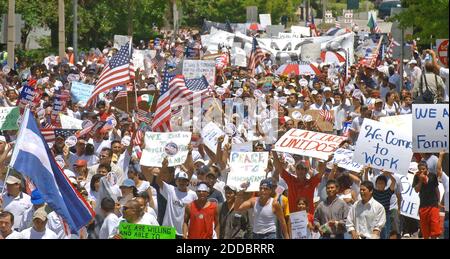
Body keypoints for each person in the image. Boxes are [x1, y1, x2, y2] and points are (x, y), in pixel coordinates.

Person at [154, 162, 197, 239]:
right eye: (179, 180)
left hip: (183, 232)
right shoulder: (170, 190)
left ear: (188, 182)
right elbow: (158, 181)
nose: (181, 182)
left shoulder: (193, 195)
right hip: (167, 230)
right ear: (176, 181)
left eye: (184, 181)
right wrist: (163, 167)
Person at [413, 161, 441, 239]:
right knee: (425, 230)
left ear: (427, 168)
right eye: (420, 169)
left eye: (423, 169)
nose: (422, 171)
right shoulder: (416, 176)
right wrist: (421, 180)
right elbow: (416, 190)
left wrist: (438, 201)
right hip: (423, 205)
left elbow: (436, 189)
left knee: (434, 229)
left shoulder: (433, 176)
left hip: (433, 205)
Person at [370, 171, 396, 239]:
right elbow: (367, 183)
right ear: (376, 184)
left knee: (385, 234)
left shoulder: (388, 192)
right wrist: (366, 171)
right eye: (378, 183)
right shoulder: (373, 192)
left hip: (385, 216)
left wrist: (389, 174)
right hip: (374, 216)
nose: (380, 185)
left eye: (382, 183)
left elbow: (394, 181)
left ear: (385, 184)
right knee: (374, 235)